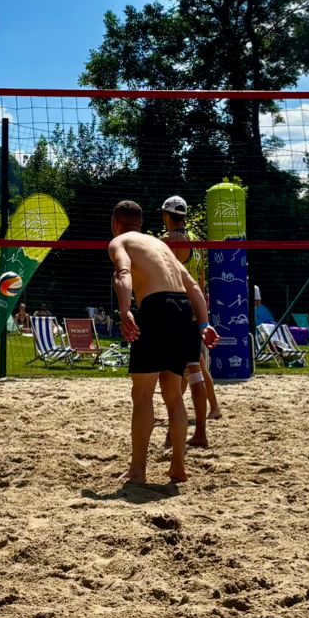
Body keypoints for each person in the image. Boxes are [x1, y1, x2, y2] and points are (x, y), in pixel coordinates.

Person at [108, 201, 217, 487]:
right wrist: (204, 324)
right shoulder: (161, 245)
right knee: (173, 395)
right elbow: (193, 286)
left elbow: (123, 274)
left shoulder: (120, 241)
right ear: (141, 224)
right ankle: (178, 466)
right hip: (183, 311)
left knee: (142, 394)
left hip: (156, 309)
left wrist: (125, 311)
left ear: (115, 224)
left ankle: (138, 470)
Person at [159, 193, 222, 447]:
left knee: (178, 374)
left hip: (176, 310)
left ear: (166, 216)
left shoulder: (167, 242)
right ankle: (197, 431)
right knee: (194, 370)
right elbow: (202, 281)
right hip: (196, 309)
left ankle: (179, 431)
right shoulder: (195, 240)